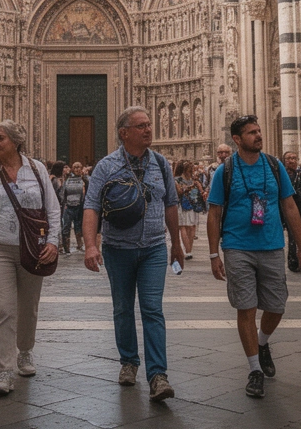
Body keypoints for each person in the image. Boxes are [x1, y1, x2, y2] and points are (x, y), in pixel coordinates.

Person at [82, 106, 182, 402]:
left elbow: (171, 205)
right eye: (141, 126)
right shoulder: (106, 166)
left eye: (149, 124)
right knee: (123, 308)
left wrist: (176, 243)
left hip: (153, 247)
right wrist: (90, 244)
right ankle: (128, 361)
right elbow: (92, 206)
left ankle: (158, 375)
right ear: (124, 133)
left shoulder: (161, 164)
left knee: (152, 308)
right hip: (118, 249)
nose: (148, 130)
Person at [207, 115, 301, 398]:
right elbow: (214, 213)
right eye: (252, 133)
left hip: (273, 245)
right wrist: (214, 253)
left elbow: (289, 206)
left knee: (277, 306)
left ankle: (262, 342)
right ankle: (254, 369)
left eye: (259, 131)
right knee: (246, 307)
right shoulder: (224, 171)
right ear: (237, 139)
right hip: (237, 246)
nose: (258, 135)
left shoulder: (275, 166)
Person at [0, 121, 61, 396]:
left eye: (0, 138)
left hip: (32, 248)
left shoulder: (36, 169)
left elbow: (53, 209)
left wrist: (53, 241)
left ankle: (26, 351)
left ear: (15, 141)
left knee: (28, 306)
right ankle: (4, 369)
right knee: (5, 307)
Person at [174, 160, 206, 259]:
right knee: (189, 227)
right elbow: (201, 191)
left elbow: (179, 192)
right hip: (190, 204)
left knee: (186, 227)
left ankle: (188, 251)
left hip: (187, 205)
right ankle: (188, 250)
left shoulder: (177, 179)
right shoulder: (192, 180)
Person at [60, 165, 87, 254]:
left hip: (79, 206)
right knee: (66, 226)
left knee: (78, 226)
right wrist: (64, 203)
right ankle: (66, 247)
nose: (77, 169)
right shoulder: (67, 180)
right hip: (68, 206)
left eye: (78, 167)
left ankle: (80, 245)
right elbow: (63, 193)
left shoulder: (85, 179)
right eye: (75, 167)